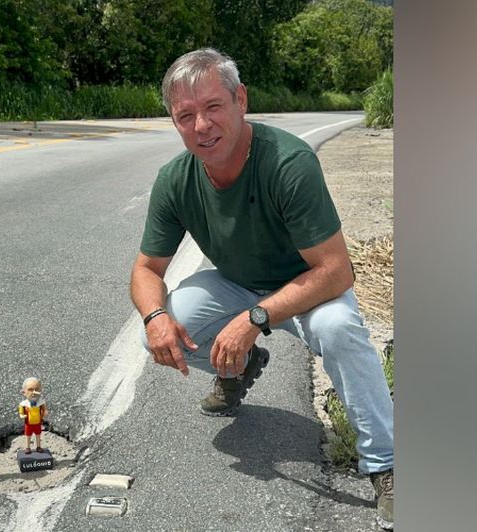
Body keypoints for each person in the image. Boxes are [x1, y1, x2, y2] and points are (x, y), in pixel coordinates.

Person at [129, 48, 394, 530]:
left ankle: (386, 466)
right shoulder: (176, 180)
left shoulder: (287, 163)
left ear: (240, 100)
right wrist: (154, 318)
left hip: (308, 290)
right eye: (186, 116)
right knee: (168, 324)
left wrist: (253, 320)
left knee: (339, 330)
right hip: (236, 283)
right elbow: (147, 270)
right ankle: (240, 366)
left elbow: (337, 271)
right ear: (175, 122)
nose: (202, 126)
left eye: (213, 107)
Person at [18, 377, 47, 454]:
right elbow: (21, 412)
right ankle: (27, 447)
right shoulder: (24, 404)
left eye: (36, 390)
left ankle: (38, 446)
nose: (34, 392)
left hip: (37, 423)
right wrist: (22, 415)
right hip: (28, 423)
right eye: (30, 390)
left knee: (38, 435)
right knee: (28, 436)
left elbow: (44, 409)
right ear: (24, 392)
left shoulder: (41, 403)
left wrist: (45, 413)